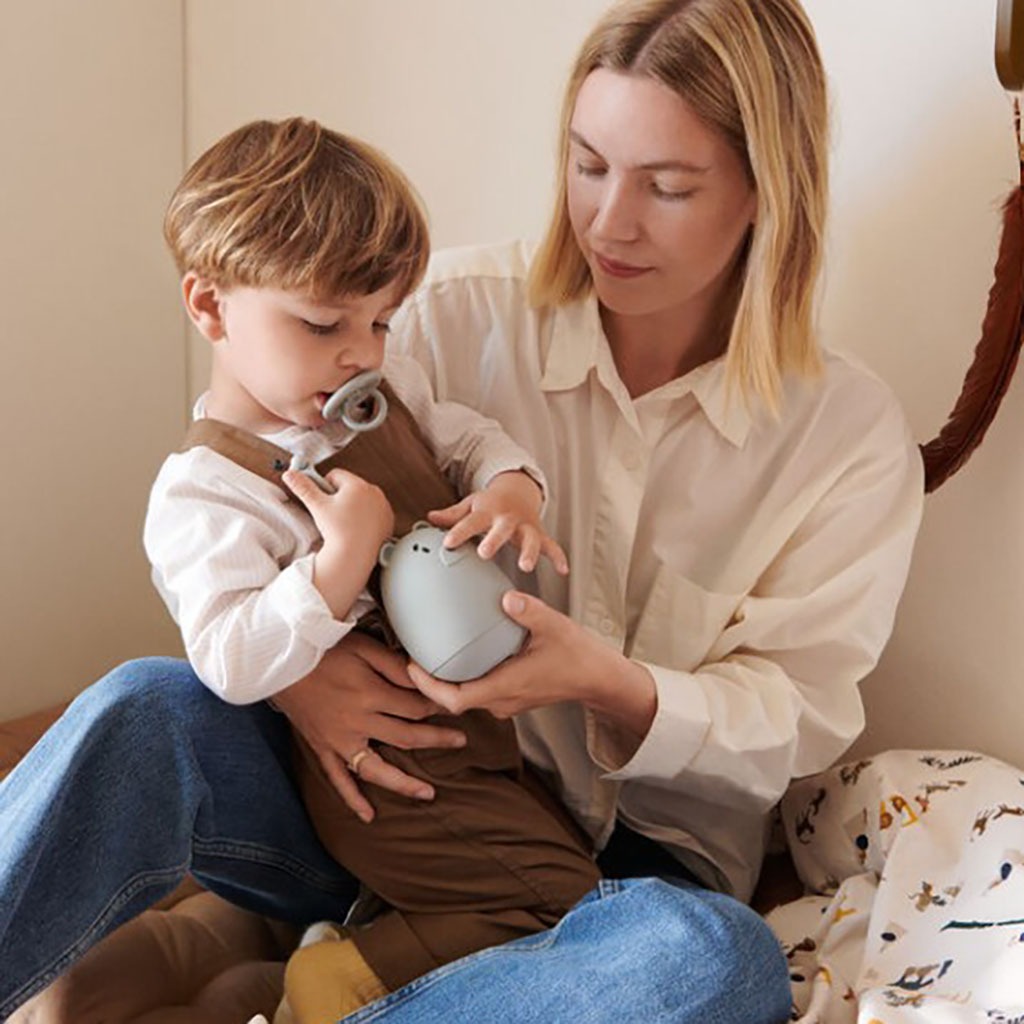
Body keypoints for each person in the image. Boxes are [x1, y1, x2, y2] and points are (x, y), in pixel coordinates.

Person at [0, 1, 923, 1022]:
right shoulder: (439, 314)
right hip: (370, 799)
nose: (607, 222)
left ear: (765, 194)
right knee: (144, 704)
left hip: (609, 892)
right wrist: (304, 677)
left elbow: (800, 716)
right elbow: (250, 520)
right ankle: (289, 945)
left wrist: (607, 685)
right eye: (586, 165)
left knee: (715, 959)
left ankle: (322, 978)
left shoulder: (844, 437)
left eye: (666, 186)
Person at [144, 116, 600, 1020]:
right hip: (388, 779)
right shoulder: (207, 491)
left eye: (381, 320)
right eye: (323, 324)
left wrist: (511, 487)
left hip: (480, 746)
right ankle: (339, 984)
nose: (361, 352)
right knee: (564, 904)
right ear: (210, 307)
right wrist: (337, 565)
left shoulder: (385, 396)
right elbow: (229, 658)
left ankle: (353, 939)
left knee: (568, 864)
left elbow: (465, 436)